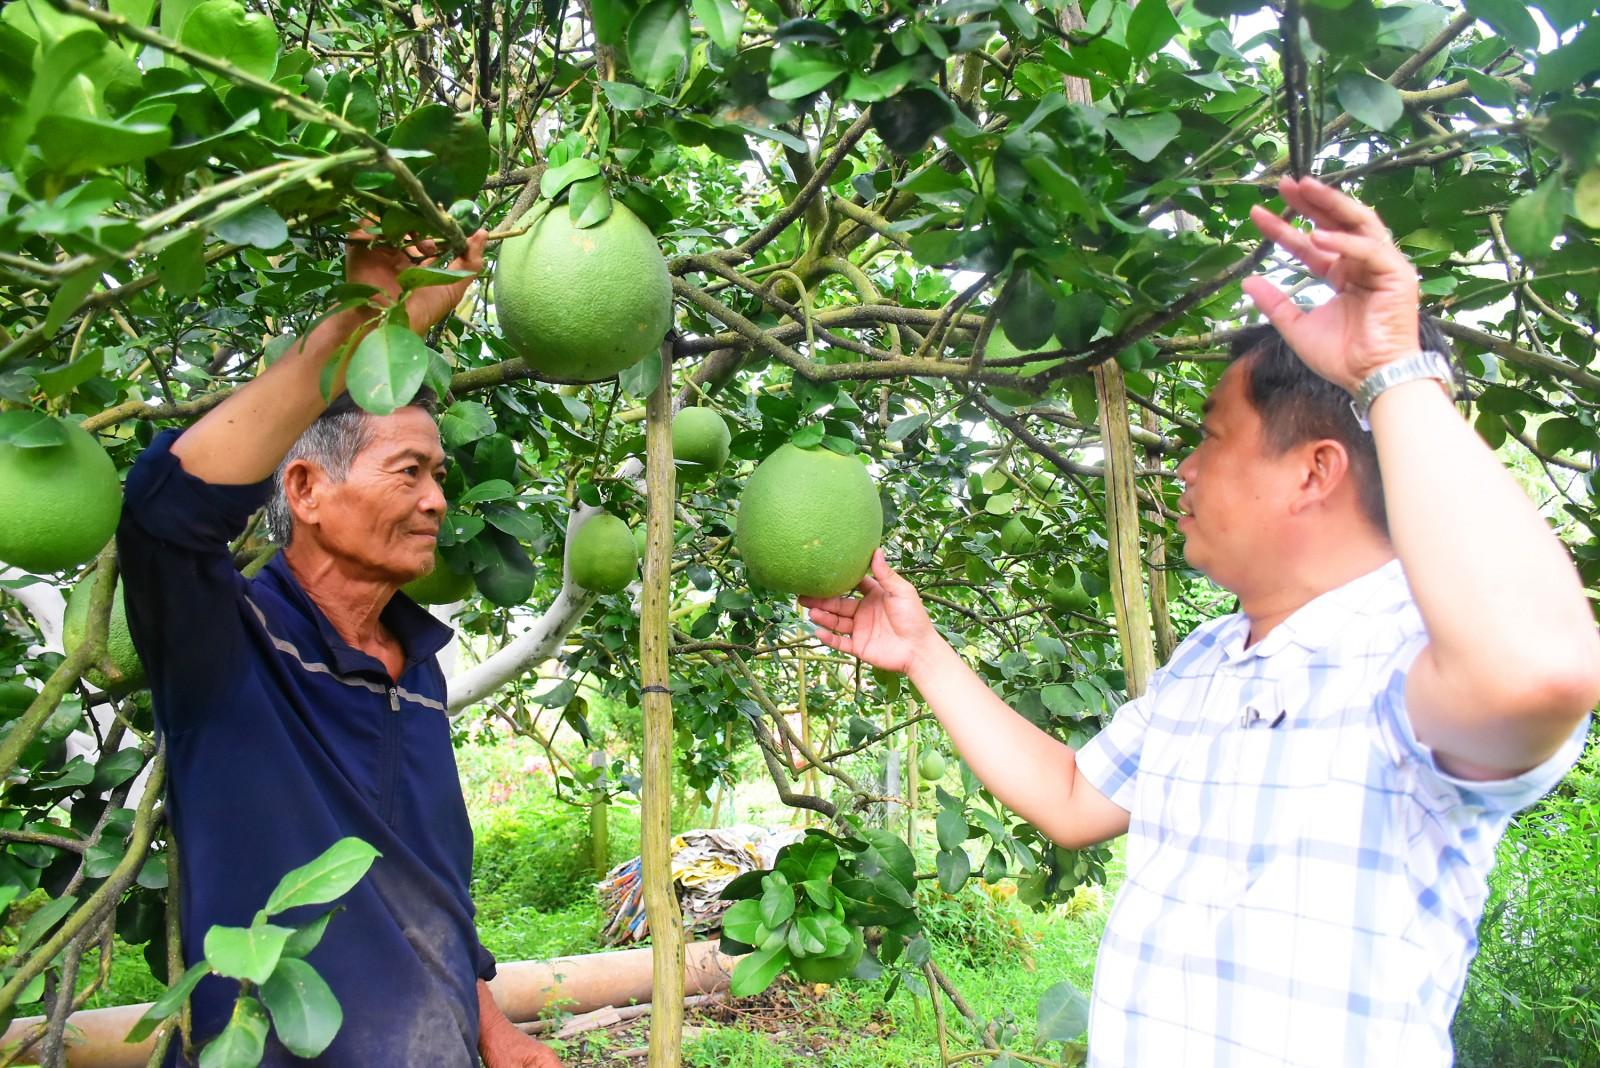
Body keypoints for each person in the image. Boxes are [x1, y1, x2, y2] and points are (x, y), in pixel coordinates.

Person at [802, 177, 1600, 1065]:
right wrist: (921, 652)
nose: (1182, 467)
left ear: (1313, 472)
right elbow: (1071, 799)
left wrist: (1392, 370)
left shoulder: (1412, 659)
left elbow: (1545, 671)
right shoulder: (1215, 657)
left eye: (1213, 437)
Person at [118, 230, 562, 1067]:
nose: (436, 502)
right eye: (408, 472)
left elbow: (427, 882)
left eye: (439, 476)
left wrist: (495, 1031)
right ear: (307, 490)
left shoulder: (419, 666)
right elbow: (163, 510)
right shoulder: (228, 648)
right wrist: (352, 334)